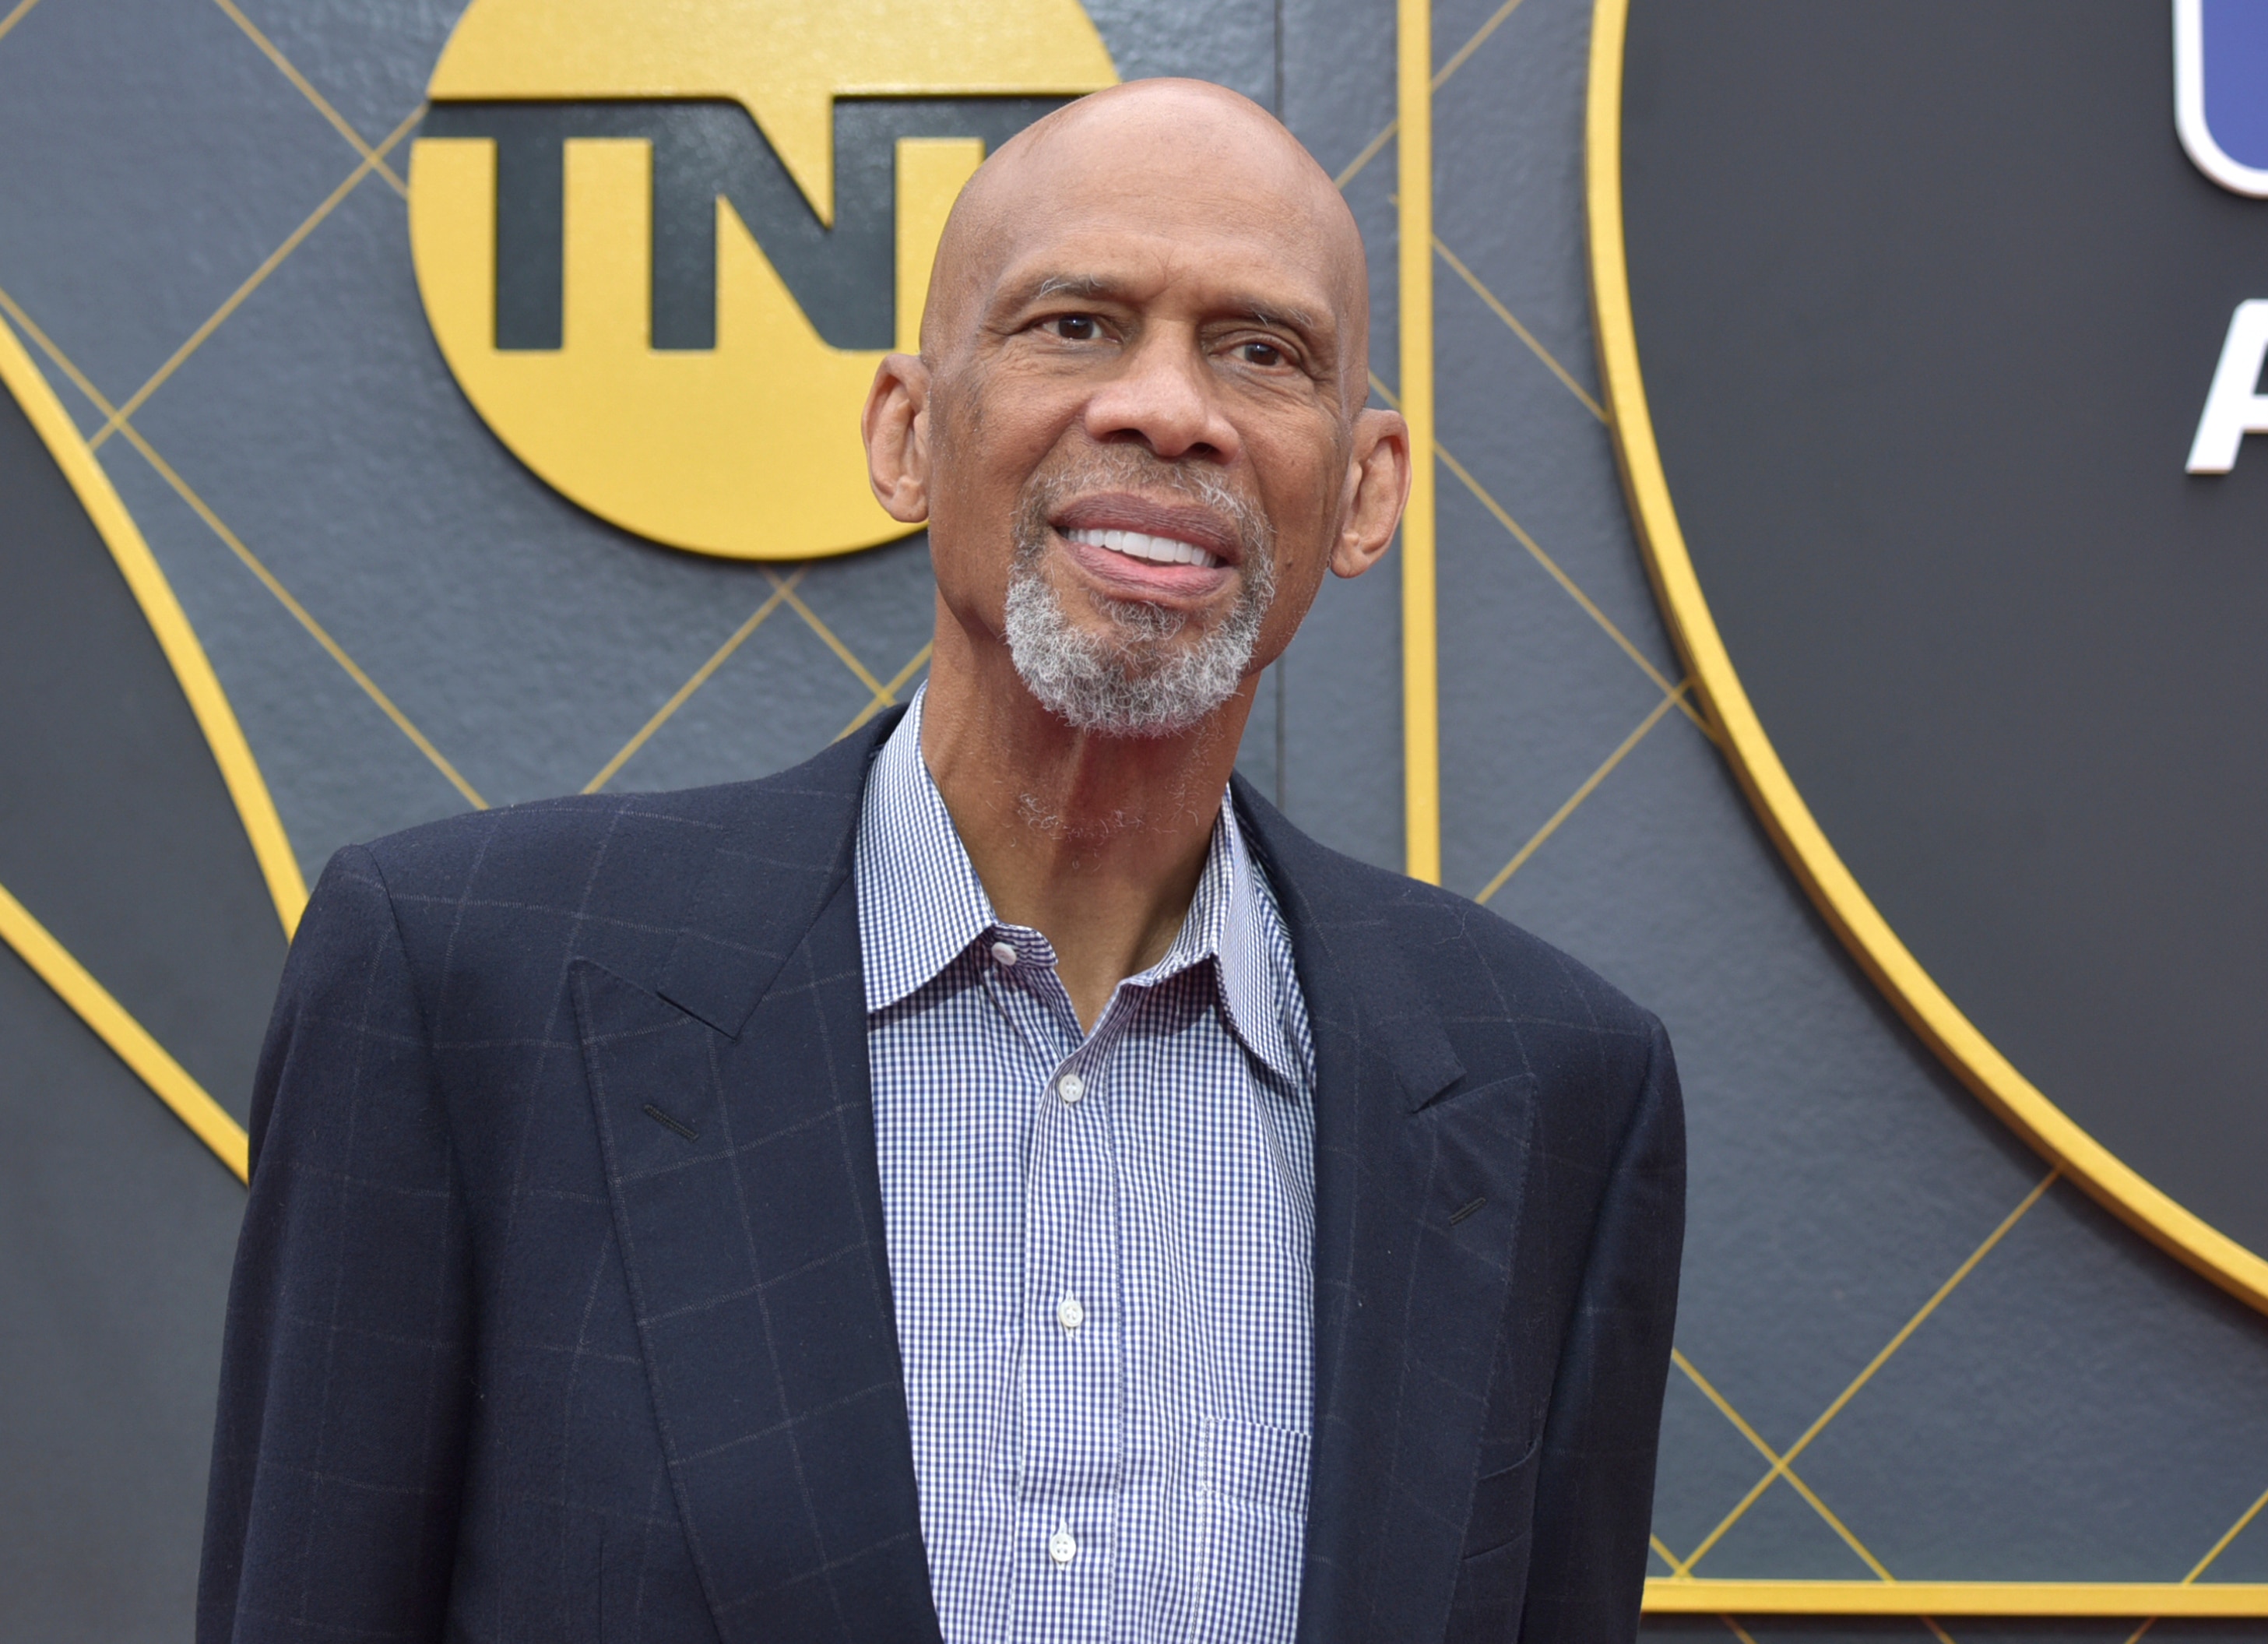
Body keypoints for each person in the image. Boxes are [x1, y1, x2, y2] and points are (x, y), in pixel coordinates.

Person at [199, 78, 1683, 1644]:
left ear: (1366, 491)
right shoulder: (467, 991)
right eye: (1075, 326)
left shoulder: (1554, 1093)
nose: (1168, 408)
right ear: (906, 435)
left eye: (1262, 352)